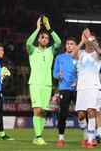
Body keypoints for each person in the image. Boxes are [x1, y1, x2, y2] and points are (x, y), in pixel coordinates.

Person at [26, 16, 61, 145]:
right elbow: (28, 43)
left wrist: (50, 29)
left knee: (43, 112)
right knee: (37, 110)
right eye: (43, 37)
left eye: (47, 38)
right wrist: (38, 29)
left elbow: (58, 42)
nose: (45, 39)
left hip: (47, 84)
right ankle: (38, 136)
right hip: (35, 83)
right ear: (39, 39)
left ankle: (38, 137)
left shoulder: (51, 51)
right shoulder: (32, 50)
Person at [71, 29, 101, 148]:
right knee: (80, 115)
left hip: (93, 87)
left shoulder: (97, 55)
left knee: (91, 112)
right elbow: (72, 54)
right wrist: (82, 41)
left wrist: (91, 40)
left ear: (96, 42)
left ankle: (90, 140)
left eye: (94, 41)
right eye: (90, 40)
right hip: (81, 88)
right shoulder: (81, 54)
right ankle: (85, 137)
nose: (91, 42)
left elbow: (100, 52)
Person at [52, 37, 78, 147]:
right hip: (64, 88)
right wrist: (59, 75)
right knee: (63, 113)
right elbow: (54, 73)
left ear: (76, 46)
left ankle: (88, 137)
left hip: (77, 89)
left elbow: (82, 72)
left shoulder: (79, 57)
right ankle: (61, 138)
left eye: (72, 44)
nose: (69, 46)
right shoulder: (59, 57)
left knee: (83, 112)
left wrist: (78, 80)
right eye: (67, 43)